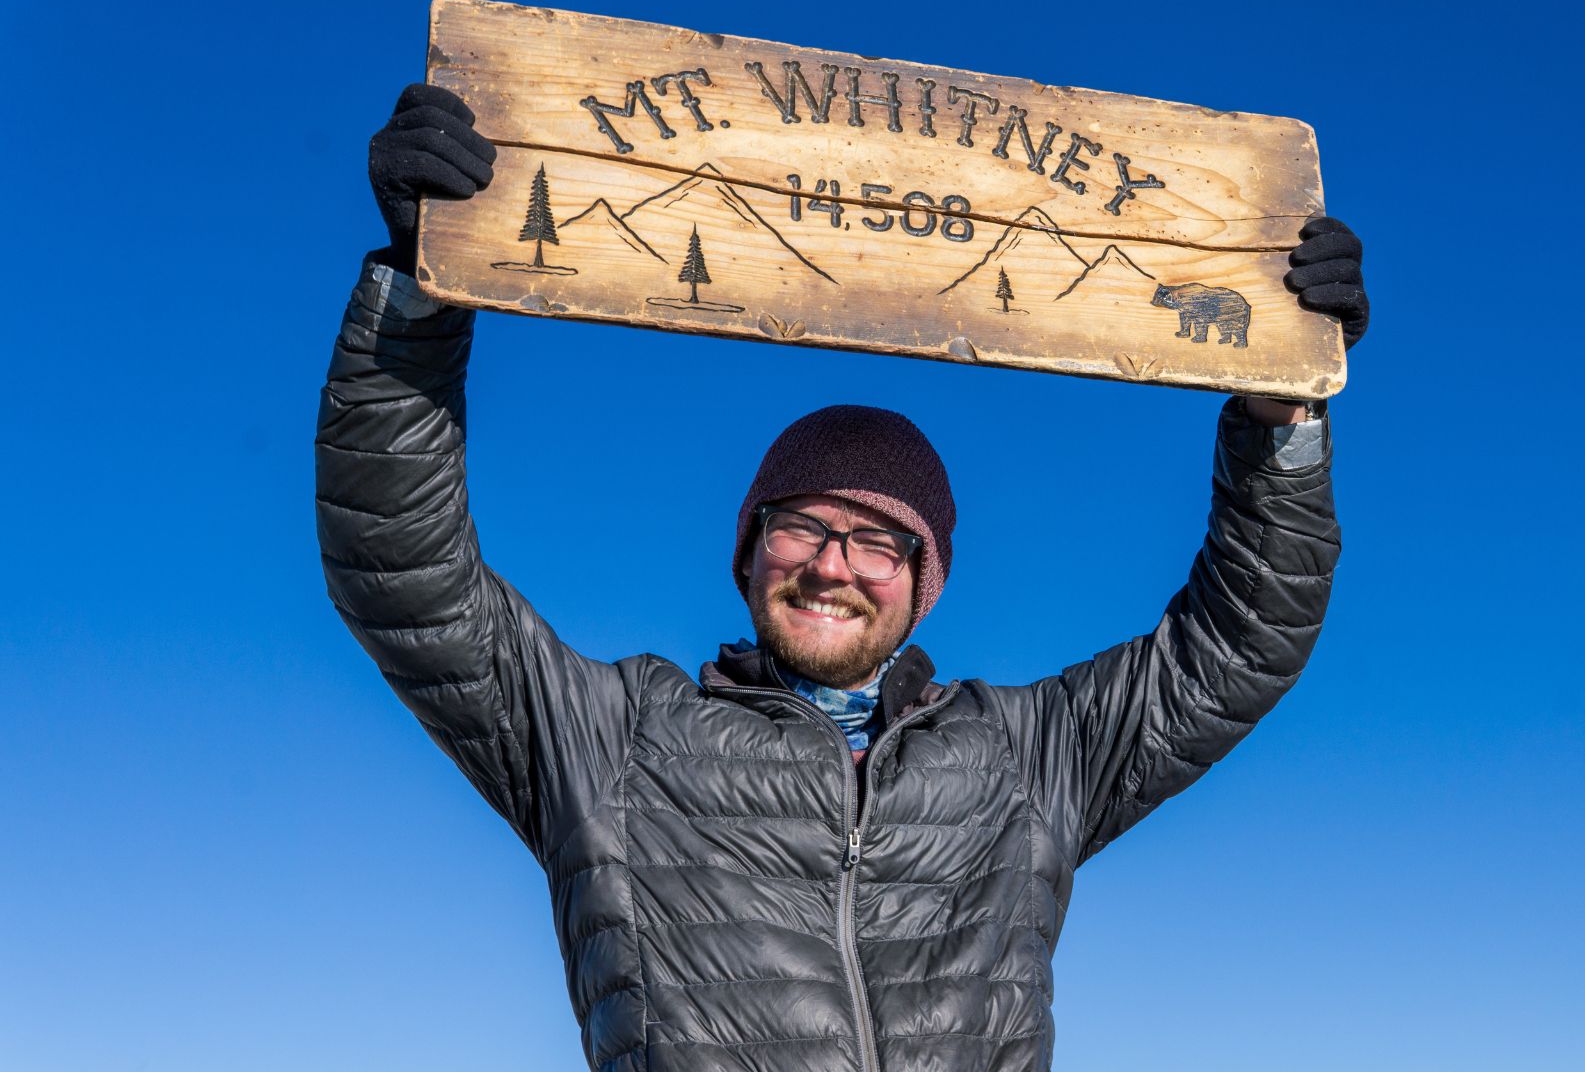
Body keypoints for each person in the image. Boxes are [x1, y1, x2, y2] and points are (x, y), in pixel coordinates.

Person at [320, 83, 1367, 1072]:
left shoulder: (1028, 759)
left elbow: (1236, 649)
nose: (833, 565)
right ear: (748, 551)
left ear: (927, 584)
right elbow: (404, 572)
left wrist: (1283, 417)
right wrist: (418, 292)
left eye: (880, 541)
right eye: (802, 527)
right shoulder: (610, 740)